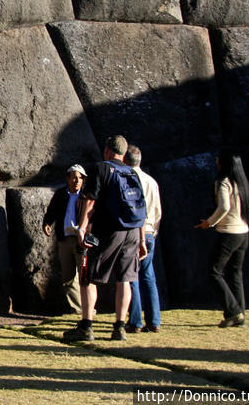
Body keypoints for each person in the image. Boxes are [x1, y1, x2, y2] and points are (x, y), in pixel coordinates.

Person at [63, 135, 147, 342]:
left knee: (88, 277)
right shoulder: (131, 172)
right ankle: (119, 327)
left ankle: (86, 326)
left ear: (107, 150)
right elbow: (140, 208)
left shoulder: (101, 168)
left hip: (109, 231)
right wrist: (142, 240)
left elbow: (90, 201)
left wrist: (82, 228)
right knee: (124, 279)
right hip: (133, 232)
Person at [194, 149, 249, 328]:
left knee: (214, 272)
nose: (216, 162)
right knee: (235, 273)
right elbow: (248, 206)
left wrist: (209, 223)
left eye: (218, 159)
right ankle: (239, 313)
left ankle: (234, 311)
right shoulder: (242, 183)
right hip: (244, 232)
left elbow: (224, 206)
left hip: (229, 232)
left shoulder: (223, 182)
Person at [124, 145, 162, 333]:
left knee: (132, 277)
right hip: (149, 233)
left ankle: (136, 320)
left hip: (134, 232)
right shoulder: (151, 181)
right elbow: (158, 212)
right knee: (148, 276)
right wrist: (153, 231)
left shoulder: (128, 180)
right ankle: (154, 320)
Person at [42, 164, 88, 313]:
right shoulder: (61, 194)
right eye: (74, 177)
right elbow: (51, 211)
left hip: (82, 241)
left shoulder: (87, 196)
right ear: (68, 178)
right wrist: (47, 223)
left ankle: (88, 309)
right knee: (67, 278)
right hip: (65, 240)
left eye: (80, 178)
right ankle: (78, 309)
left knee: (85, 276)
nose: (77, 180)